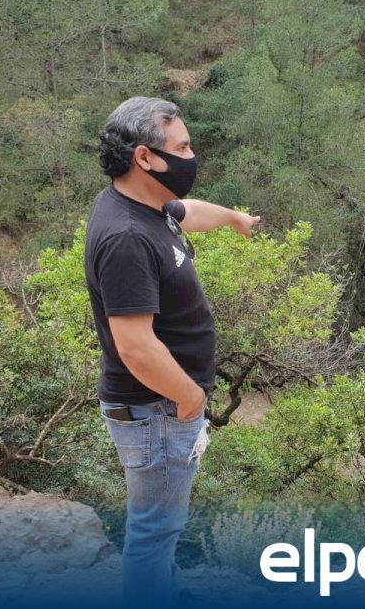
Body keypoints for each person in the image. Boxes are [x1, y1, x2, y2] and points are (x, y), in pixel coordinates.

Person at [86, 96, 259, 607]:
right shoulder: (126, 237)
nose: (191, 157)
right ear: (145, 157)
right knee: (154, 529)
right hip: (156, 409)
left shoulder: (145, 204)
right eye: (181, 148)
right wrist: (190, 398)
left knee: (162, 524)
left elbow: (187, 213)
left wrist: (232, 218)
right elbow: (136, 347)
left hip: (160, 408)